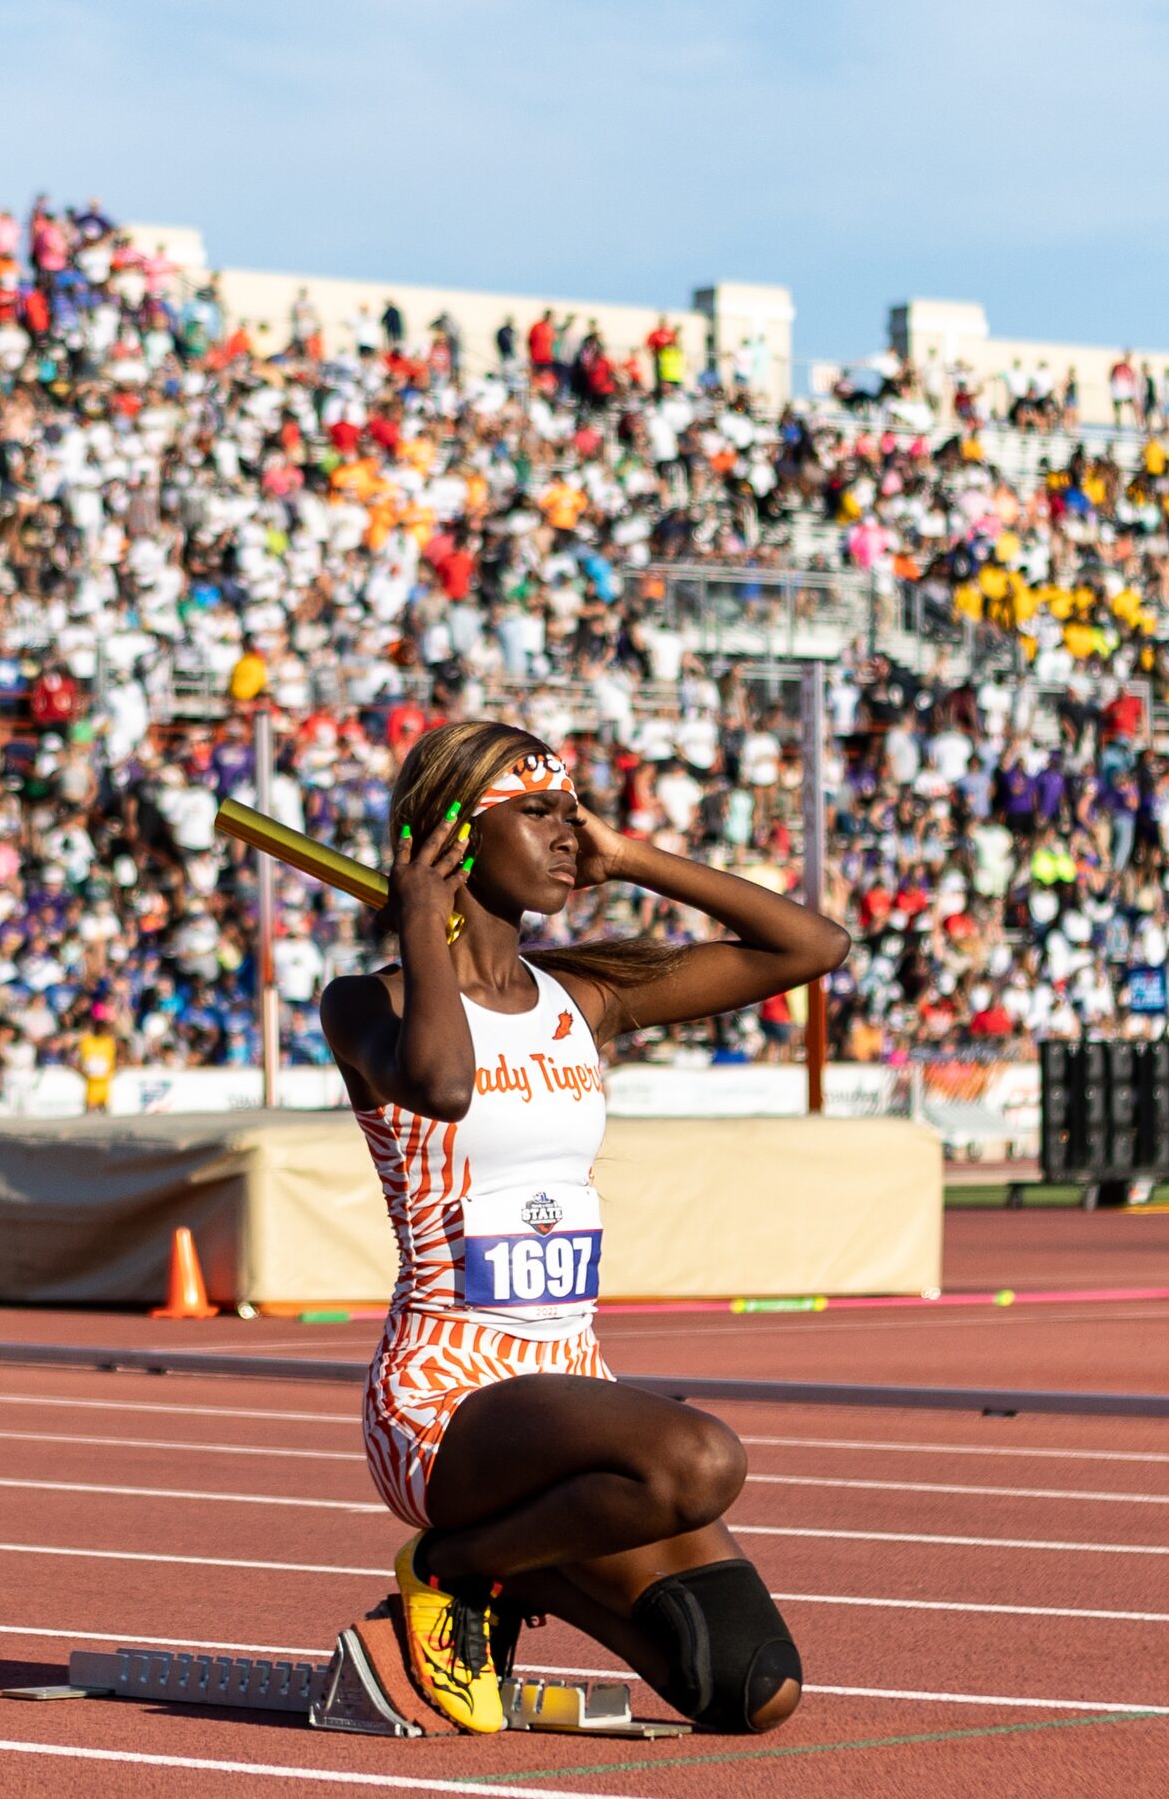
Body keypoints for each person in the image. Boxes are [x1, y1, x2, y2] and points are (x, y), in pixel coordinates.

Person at [320, 722, 848, 1737]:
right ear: (451, 839)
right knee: (697, 1460)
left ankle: (512, 1566)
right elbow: (438, 1082)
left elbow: (809, 948)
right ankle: (452, 1568)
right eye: (540, 812)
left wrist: (631, 858)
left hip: (570, 1393)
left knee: (755, 1691)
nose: (568, 832)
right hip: (446, 1399)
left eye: (574, 812)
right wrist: (423, 926)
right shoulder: (365, 1005)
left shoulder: (580, 998)